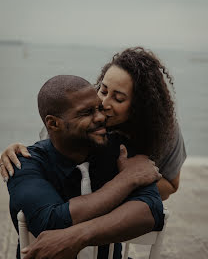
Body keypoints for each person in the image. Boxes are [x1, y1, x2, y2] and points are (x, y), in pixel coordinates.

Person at [6, 75, 163, 259]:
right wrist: (126, 179)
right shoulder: (25, 162)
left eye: (99, 108)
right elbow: (51, 222)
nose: (100, 117)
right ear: (53, 123)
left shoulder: (120, 151)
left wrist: (78, 236)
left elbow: (151, 212)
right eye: (86, 112)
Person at [0, 47, 186, 200]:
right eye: (103, 90)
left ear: (141, 106)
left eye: (118, 98)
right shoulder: (79, 119)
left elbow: (171, 185)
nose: (103, 104)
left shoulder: (165, 130)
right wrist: (20, 152)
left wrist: (132, 178)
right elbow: (51, 160)